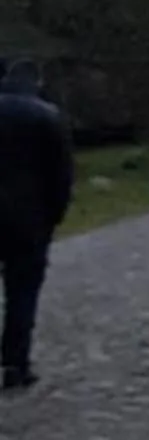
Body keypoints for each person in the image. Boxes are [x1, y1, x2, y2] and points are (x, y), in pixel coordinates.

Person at [0, 59, 74, 392]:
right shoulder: (47, 116)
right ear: (37, 80)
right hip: (29, 219)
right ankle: (15, 363)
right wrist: (54, 214)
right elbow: (61, 174)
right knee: (22, 292)